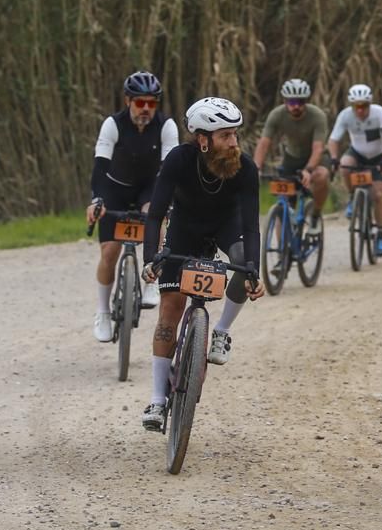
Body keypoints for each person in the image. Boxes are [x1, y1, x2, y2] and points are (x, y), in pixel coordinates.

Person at [139, 97, 265, 430]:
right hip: (185, 229)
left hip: (228, 226)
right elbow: (154, 215)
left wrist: (254, 271)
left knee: (243, 264)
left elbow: (252, 226)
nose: (234, 142)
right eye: (226, 136)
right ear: (203, 140)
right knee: (170, 309)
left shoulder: (246, 168)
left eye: (236, 134)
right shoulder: (179, 160)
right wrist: (151, 258)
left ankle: (221, 331)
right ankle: (156, 398)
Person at [86, 71, 179, 342]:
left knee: (155, 214)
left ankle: (151, 278)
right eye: (140, 103)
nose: (146, 109)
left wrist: (166, 203)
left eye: (152, 103)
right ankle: (103, 311)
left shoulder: (166, 126)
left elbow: (168, 169)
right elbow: (100, 166)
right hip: (115, 187)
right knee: (110, 252)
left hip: (150, 187)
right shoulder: (112, 125)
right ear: (128, 101)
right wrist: (97, 200)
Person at [252, 78, 330, 234]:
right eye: (292, 102)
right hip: (292, 158)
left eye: (300, 102)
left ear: (306, 102)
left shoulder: (317, 116)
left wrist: (308, 170)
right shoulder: (277, 115)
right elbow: (264, 143)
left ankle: (315, 214)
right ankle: (283, 255)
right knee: (284, 205)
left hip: (315, 159)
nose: (296, 106)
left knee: (322, 176)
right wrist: (255, 168)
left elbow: (318, 148)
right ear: (285, 101)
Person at [328, 83, 382, 256]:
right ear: (352, 106)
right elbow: (334, 140)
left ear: (369, 104)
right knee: (345, 165)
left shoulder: (380, 113)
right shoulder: (345, 116)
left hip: (378, 157)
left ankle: (380, 235)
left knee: (377, 196)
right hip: (357, 153)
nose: (360, 110)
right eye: (356, 106)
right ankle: (353, 197)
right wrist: (334, 158)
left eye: (364, 106)